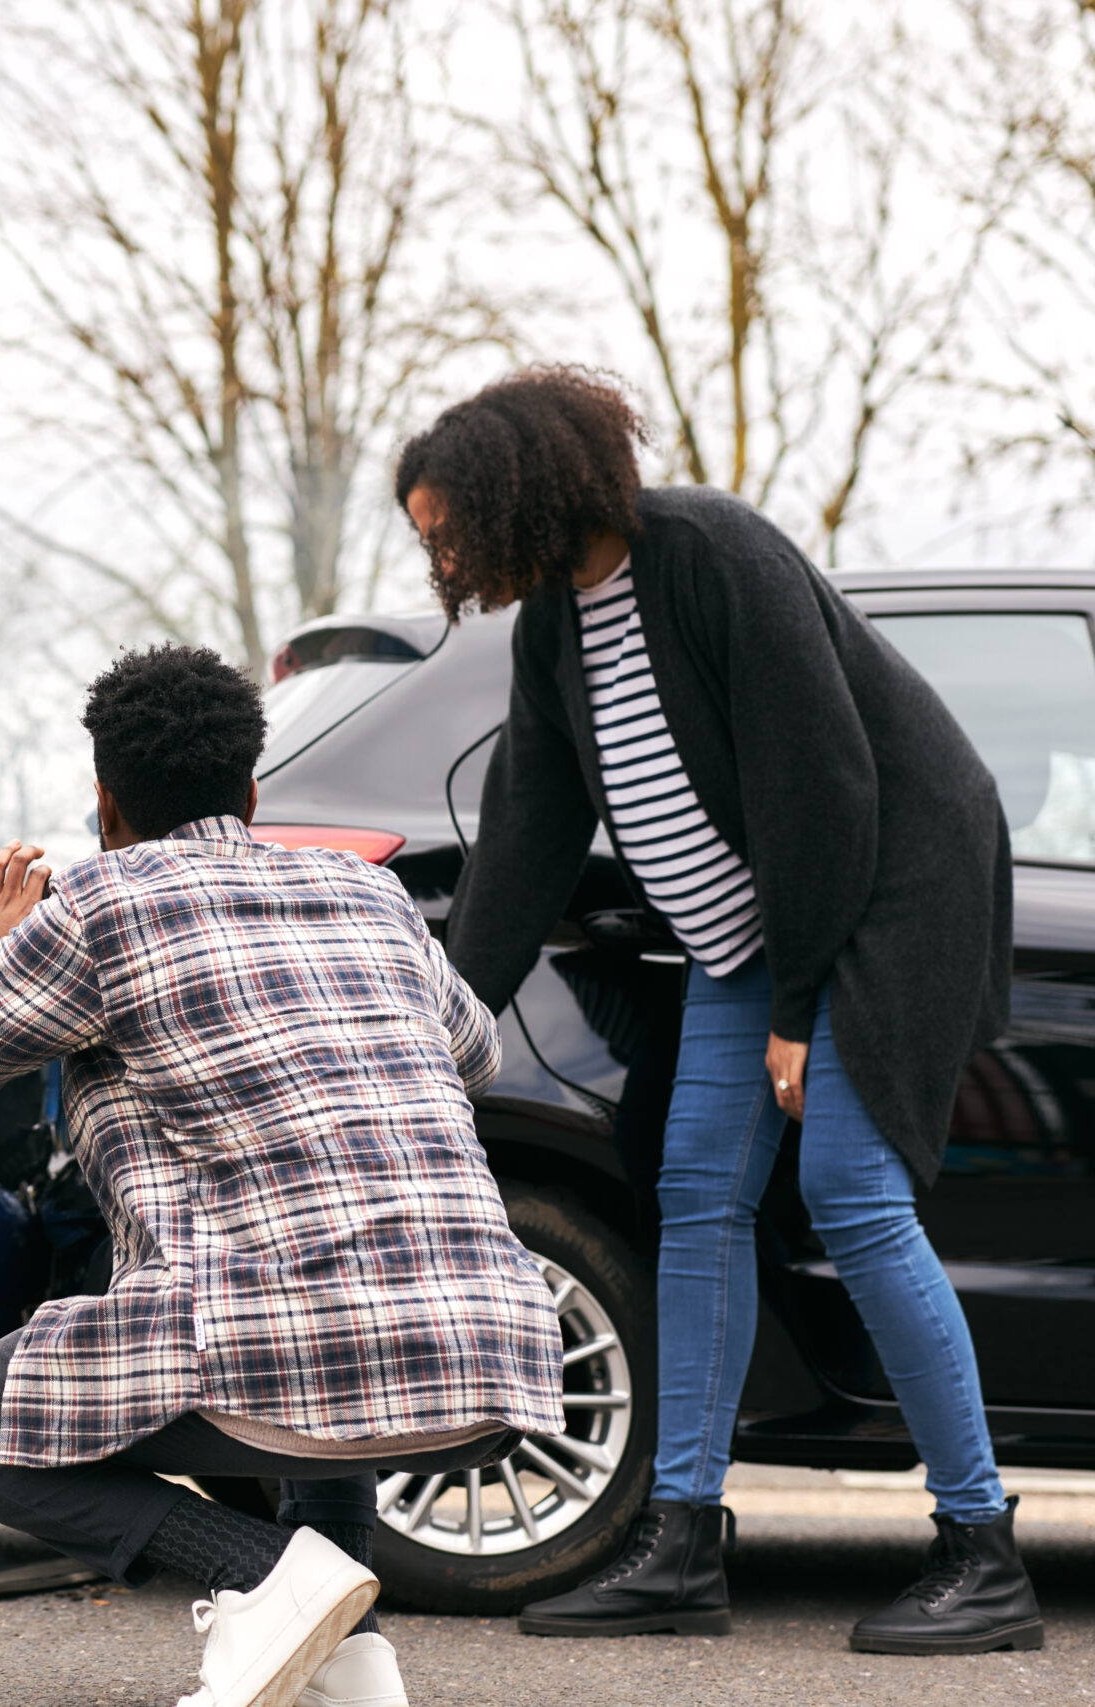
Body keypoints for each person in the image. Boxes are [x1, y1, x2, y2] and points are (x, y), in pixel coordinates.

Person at [403, 366, 1040, 1655]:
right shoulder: (555, 630)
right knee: (697, 1194)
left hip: (879, 896)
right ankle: (679, 1543)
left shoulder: (711, 556)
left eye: (447, 530)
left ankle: (983, 1552)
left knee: (856, 1197)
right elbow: (528, 830)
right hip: (753, 929)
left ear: (519, 494)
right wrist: (446, 1022)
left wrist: (798, 1006)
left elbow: (825, 790)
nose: (442, 558)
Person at [0, 644, 565, 1707]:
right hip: (486, 1349)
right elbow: (478, 1057)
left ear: (104, 804)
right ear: (251, 790)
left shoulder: (100, 908)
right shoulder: (366, 892)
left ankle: (268, 1579)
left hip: (284, 1344)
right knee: (312, 1319)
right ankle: (350, 1658)